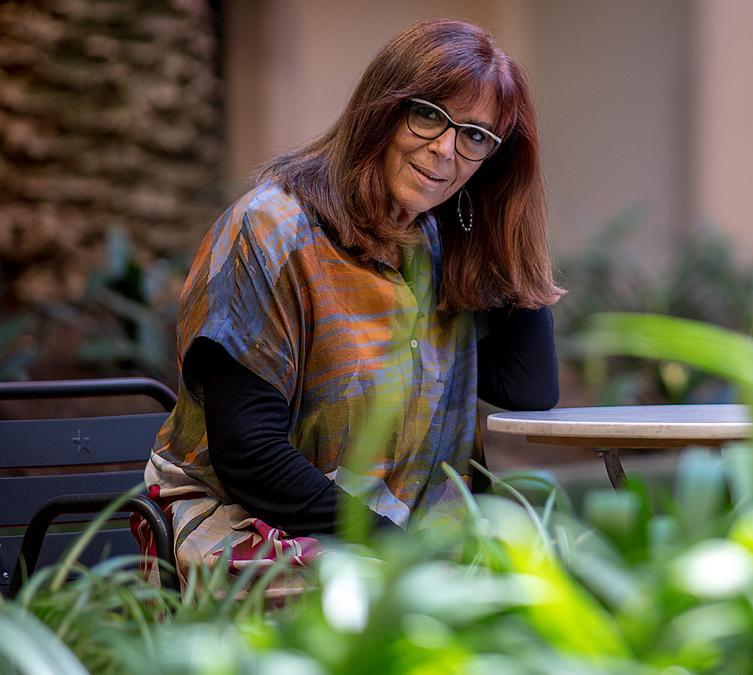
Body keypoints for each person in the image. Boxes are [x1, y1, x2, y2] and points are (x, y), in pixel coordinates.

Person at [135, 18, 563, 580]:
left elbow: (529, 390)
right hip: (245, 527)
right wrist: (404, 553)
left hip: (398, 536)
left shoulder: (437, 243)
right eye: (429, 115)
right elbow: (251, 460)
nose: (444, 150)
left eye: (475, 136)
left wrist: (502, 221)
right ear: (382, 109)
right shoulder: (272, 230)